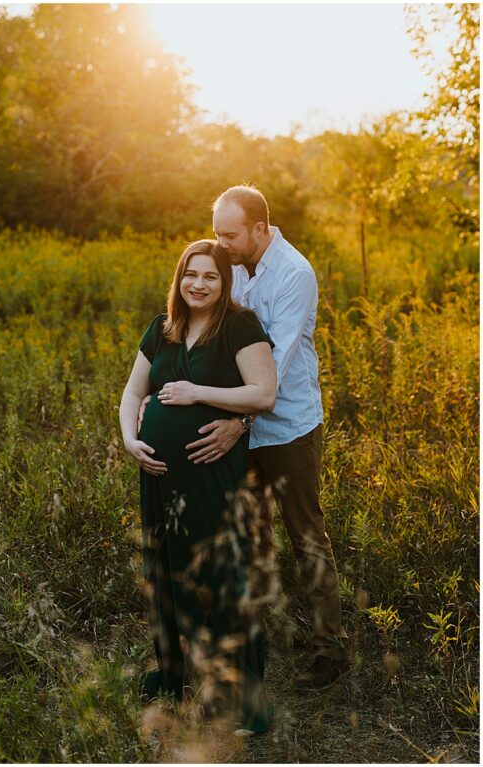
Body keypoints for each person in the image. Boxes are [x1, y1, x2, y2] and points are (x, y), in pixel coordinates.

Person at [185, 185, 348, 690]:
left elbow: (272, 368)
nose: (222, 244)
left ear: (260, 228)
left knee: (305, 535)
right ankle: (253, 637)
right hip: (240, 426)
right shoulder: (231, 261)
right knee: (248, 533)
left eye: (230, 235)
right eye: (218, 234)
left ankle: (330, 651)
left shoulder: (294, 275)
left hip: (288, 427)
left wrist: (241, 422)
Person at [120, 239, 277, 735]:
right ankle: (177, 674)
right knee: (167, 570)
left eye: (210, 276)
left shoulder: (240, 326)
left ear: (223, 281)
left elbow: (264, 393)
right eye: (192, 274)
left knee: (223, 573)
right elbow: (132, 391)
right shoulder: (163, 328)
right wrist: (129, 439)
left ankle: (243, 702)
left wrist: (196, 393)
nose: (199, 285)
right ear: (179, 277)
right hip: (159, 476)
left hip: (212, 472)